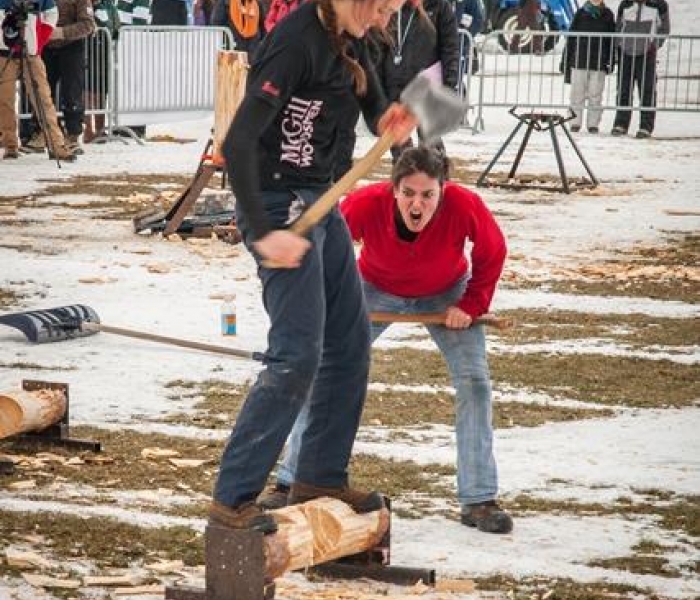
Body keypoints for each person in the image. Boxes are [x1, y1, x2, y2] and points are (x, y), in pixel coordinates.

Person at [210, 0, 416, 533]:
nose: (384, 22)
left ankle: (319, 476)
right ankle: (233, 501)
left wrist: (388, 119)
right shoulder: (297, 40)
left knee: (348, 343)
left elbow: (370, 101)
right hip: (278, 207)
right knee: (297, 353)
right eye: (382, 9)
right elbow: (237, 141)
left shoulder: (350, 36)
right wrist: (264, 230)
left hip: (322, 201)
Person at [264, 145, 511, 534]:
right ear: (393, 189)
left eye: (428, 195)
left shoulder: (465, 204)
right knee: (320, 375)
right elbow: (324, 246)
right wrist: (329, 300)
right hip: (372, 288)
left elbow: (493, 251)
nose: (418, 204)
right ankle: (291, 480)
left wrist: (472, 303)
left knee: (475, 384)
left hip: (446, 292)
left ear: (442, 190)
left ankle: (479, 499)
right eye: (408, 193)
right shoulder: (366, 203)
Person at [374, 0, 459, 161]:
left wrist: (449, 85)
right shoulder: (390, 6)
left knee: (430, 147)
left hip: (426, 85)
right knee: (399, 145)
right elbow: (378, 48)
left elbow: (450, 47)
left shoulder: (439, 6)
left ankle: (435, 178)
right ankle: (404, 179)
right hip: (393, 83)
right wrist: (379, 87)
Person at [0, 0, 77, 160]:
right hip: (4, 52)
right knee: (4, 100)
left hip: (32, 51)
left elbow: (51, 13)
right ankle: (10, 144)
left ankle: (56, 145)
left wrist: (40, 38)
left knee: (42, 98)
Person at [611, 0, 670, 139]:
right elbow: (619, 26)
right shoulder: (625, 4)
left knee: (647, 90)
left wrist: (654, 45)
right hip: (626, 52)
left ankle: (645, 126)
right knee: (623, 89)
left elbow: (665, 28)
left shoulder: (659, 5)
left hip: (646, 54)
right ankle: (621, 123)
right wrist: (619, 44)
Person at [561, 0, 615, 134]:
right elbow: (571, 38)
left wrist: (611, 60)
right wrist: (566, 60)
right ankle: (575, 122)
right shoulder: (580, 13)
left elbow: (612, 40)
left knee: (595, 95)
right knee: (576, 94)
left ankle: (593, 124)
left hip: (598, 62)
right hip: (579, 60)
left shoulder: (608, 14)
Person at [83, 0, 119, 143]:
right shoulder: (85, 5)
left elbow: (115, 26)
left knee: (101, 92)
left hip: (104, 54)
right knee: (86, 92)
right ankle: (88, 130)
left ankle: (100, 129)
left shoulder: (108, 5)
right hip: (88, 52)